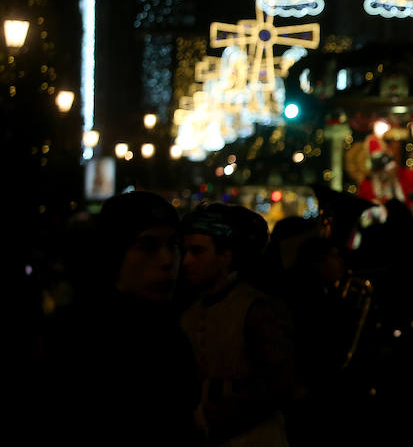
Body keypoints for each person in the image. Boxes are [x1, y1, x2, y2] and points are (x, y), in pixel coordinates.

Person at [37, 191, 202, 444]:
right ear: (114, 251)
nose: (168, 261)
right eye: (147, 246)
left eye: (173, 246)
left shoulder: (170, 331)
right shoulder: (73, 338)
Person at [180, 202, 296, 447]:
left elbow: (278, 383)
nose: (186, 261)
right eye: (185, 251)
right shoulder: (189, 310)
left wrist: (210, 417)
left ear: (225, 256)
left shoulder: (257, 309)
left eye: (198, 251)